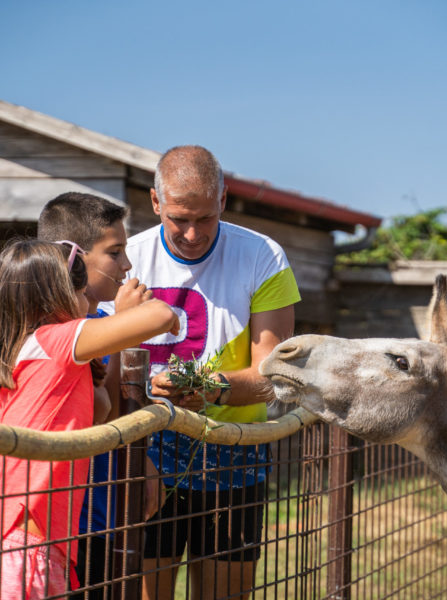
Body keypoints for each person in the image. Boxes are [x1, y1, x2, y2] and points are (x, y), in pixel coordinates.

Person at [103, 145, 301, 600]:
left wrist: (209, 389)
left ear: (224, 200)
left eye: (205, 218)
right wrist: (145, 393)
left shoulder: (262, 256)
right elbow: (99, 363)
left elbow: (272, 376)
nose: (192, 233)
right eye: (178, 218)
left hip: (233, 453)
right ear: (155, 203)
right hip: (145, 453)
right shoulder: (124, 259)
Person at [0, 238, 179, 599]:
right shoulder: (53, 340)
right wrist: (122, 315)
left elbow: (99, 410)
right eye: (82, 292)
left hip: (23, 547)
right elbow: (162, 317)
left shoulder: (22, 350)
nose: (90, 302)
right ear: (57, 295)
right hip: (23, 552)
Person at [37, 192, 138, 598]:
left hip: (97, 512)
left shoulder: (97, 323)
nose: (127, 265)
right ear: (76, 259)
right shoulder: (63, 331)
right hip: (66, 520)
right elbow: (106, 412)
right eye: (115, 252)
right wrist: (128, 322)